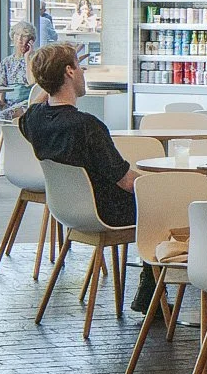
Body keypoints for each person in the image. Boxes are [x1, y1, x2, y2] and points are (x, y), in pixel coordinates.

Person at [18, 44, 137, 234]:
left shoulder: (34, 119)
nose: (83, 71)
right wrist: (159, 182)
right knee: (168, 200)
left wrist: (49, 75)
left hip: (65, 209)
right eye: (78, 67)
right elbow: (128, 183)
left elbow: (33, 106)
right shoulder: (87, 126)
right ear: (70, 72)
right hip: (107, 212)